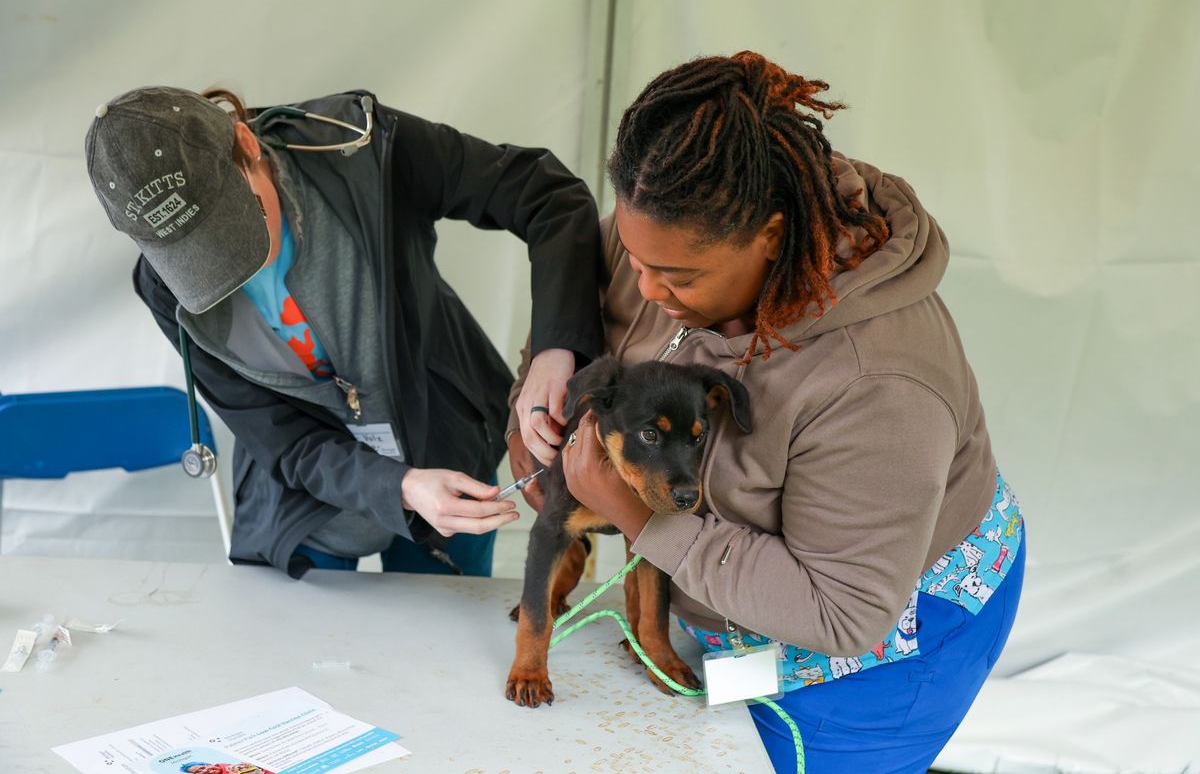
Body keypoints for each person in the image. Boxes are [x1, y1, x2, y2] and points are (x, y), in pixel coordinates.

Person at [506, 52, 1025, 773]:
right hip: (724, 595)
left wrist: (637, 518)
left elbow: (841, 613)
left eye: (677, 276)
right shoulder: (681, 218)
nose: (647, 288)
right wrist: (546, 363)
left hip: (878, 643)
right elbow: (593, 301)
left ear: (773, 236)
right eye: (633, 256)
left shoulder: (882, 383)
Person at [85, 86, 603, 578]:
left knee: (442, 647)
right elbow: (282, 439)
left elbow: (547, 196)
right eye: (201, 260)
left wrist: (555, 352)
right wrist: (398, 485)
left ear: (246, 143)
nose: (236, 266)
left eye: (240, 224)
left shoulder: (363, 149)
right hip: (308, 507)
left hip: (446, 450)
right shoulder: (163, 291)